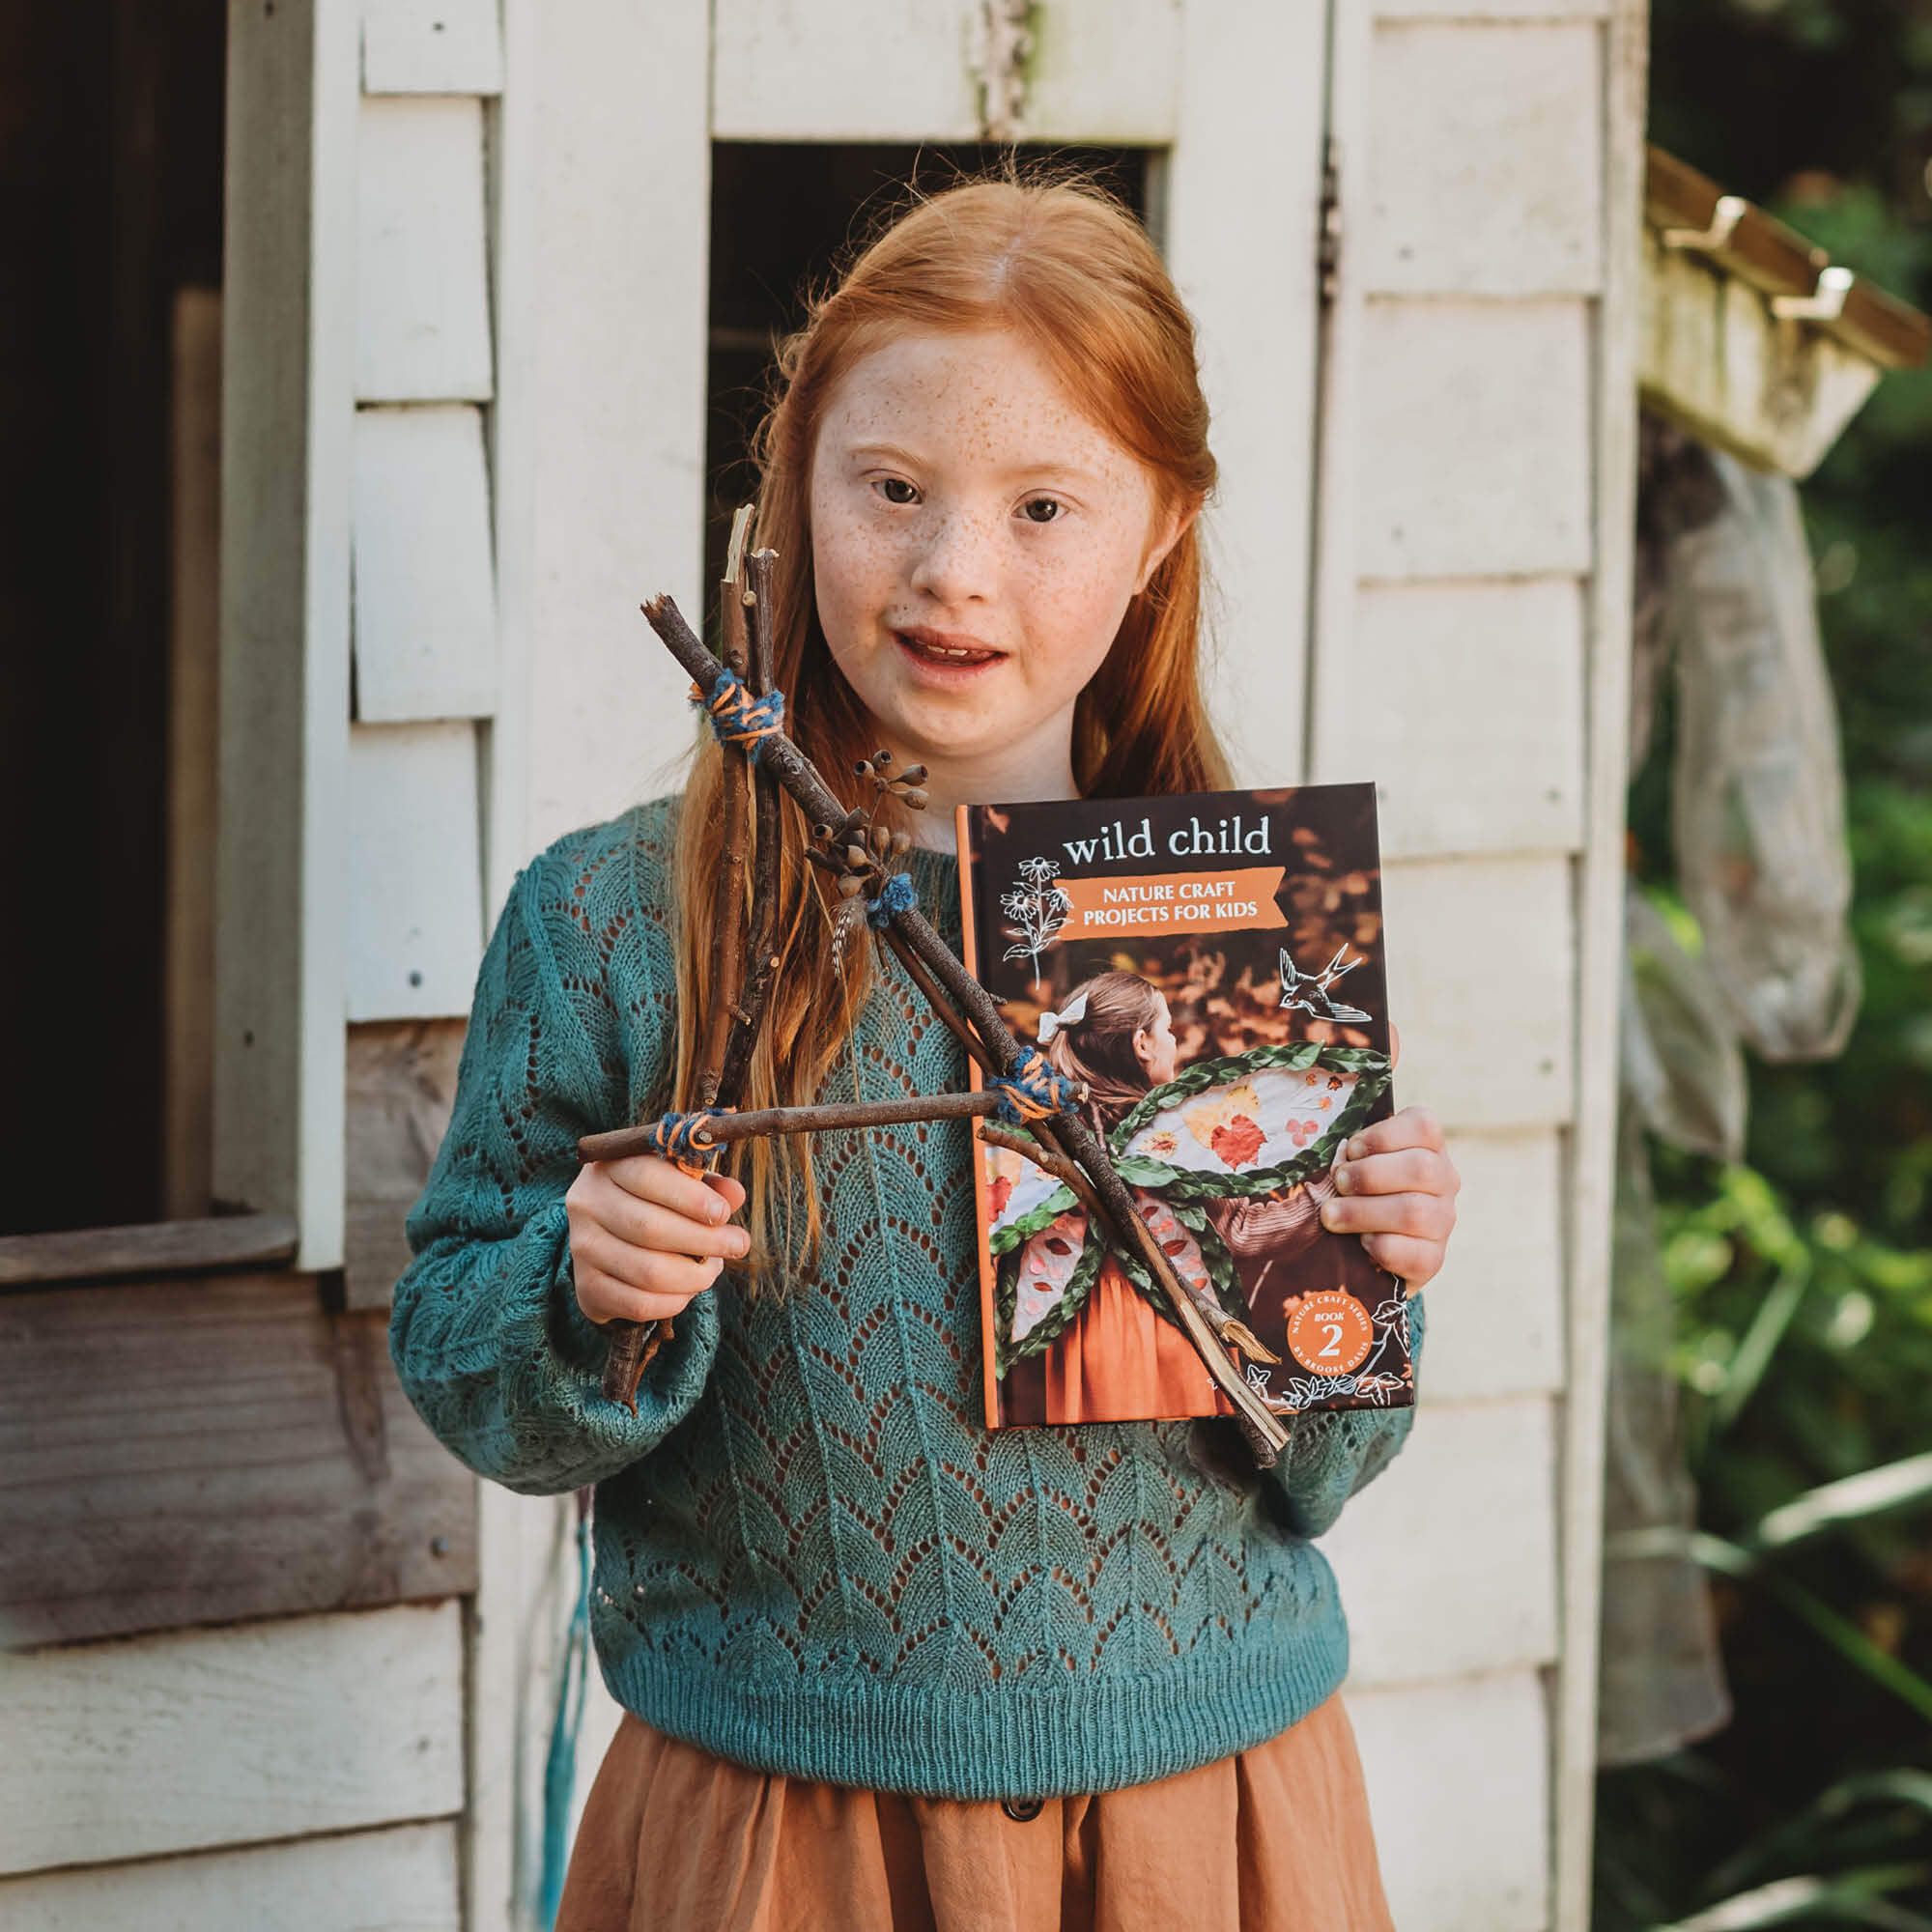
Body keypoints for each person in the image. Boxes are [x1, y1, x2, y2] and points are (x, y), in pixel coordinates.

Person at [390, 173, 1462, 1931]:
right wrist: (582, 1289)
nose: (957, 571)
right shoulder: (617, 923)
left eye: (1047, 505)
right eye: (891, 489)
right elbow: (463, 1361)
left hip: (1205, 1821)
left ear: (1164, 525)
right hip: (782, 1831)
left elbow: (1328, 1455)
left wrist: (1372, 1277)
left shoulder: (1222, 933)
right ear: (794, 486)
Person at [1030, 969, 1349, 1425]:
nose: (1175, 1041)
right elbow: (1241, 1233)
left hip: (1080, 1327)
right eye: (1169, 1030)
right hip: (1165, 1321)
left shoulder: (1052, 1126)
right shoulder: (1173, 1136)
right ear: (1143, 1044)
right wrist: (1327, 1192)